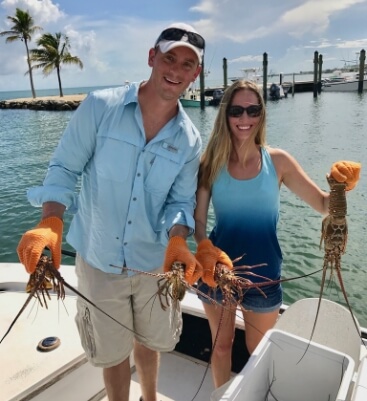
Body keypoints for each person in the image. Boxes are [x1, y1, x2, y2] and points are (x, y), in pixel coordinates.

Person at [17, 22, 205, 401]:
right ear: (152, 57)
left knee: (150, 342)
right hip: (100, 259)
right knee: (111, 352)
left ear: (195, 74)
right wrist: (51, 221)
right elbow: (63, 170)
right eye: (170, 57)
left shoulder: (190, 139)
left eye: (188, 64)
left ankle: (149, 398)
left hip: (153, 263)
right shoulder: (100, 106)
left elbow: (180, 203)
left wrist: (179, 243)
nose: (177, 70)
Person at [193, 79, 361, 389]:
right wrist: (204, 248)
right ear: (225, 114)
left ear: (262, 114)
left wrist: (341, 186)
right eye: (237, 111)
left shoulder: (278, 161)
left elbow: (323, 205)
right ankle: (221, 397)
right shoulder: (211, 162)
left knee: (260, 354)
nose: (245, 119)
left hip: (265, 275)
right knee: (221, 346)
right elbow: (199, 219)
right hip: (218, 269)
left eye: (253, 110)